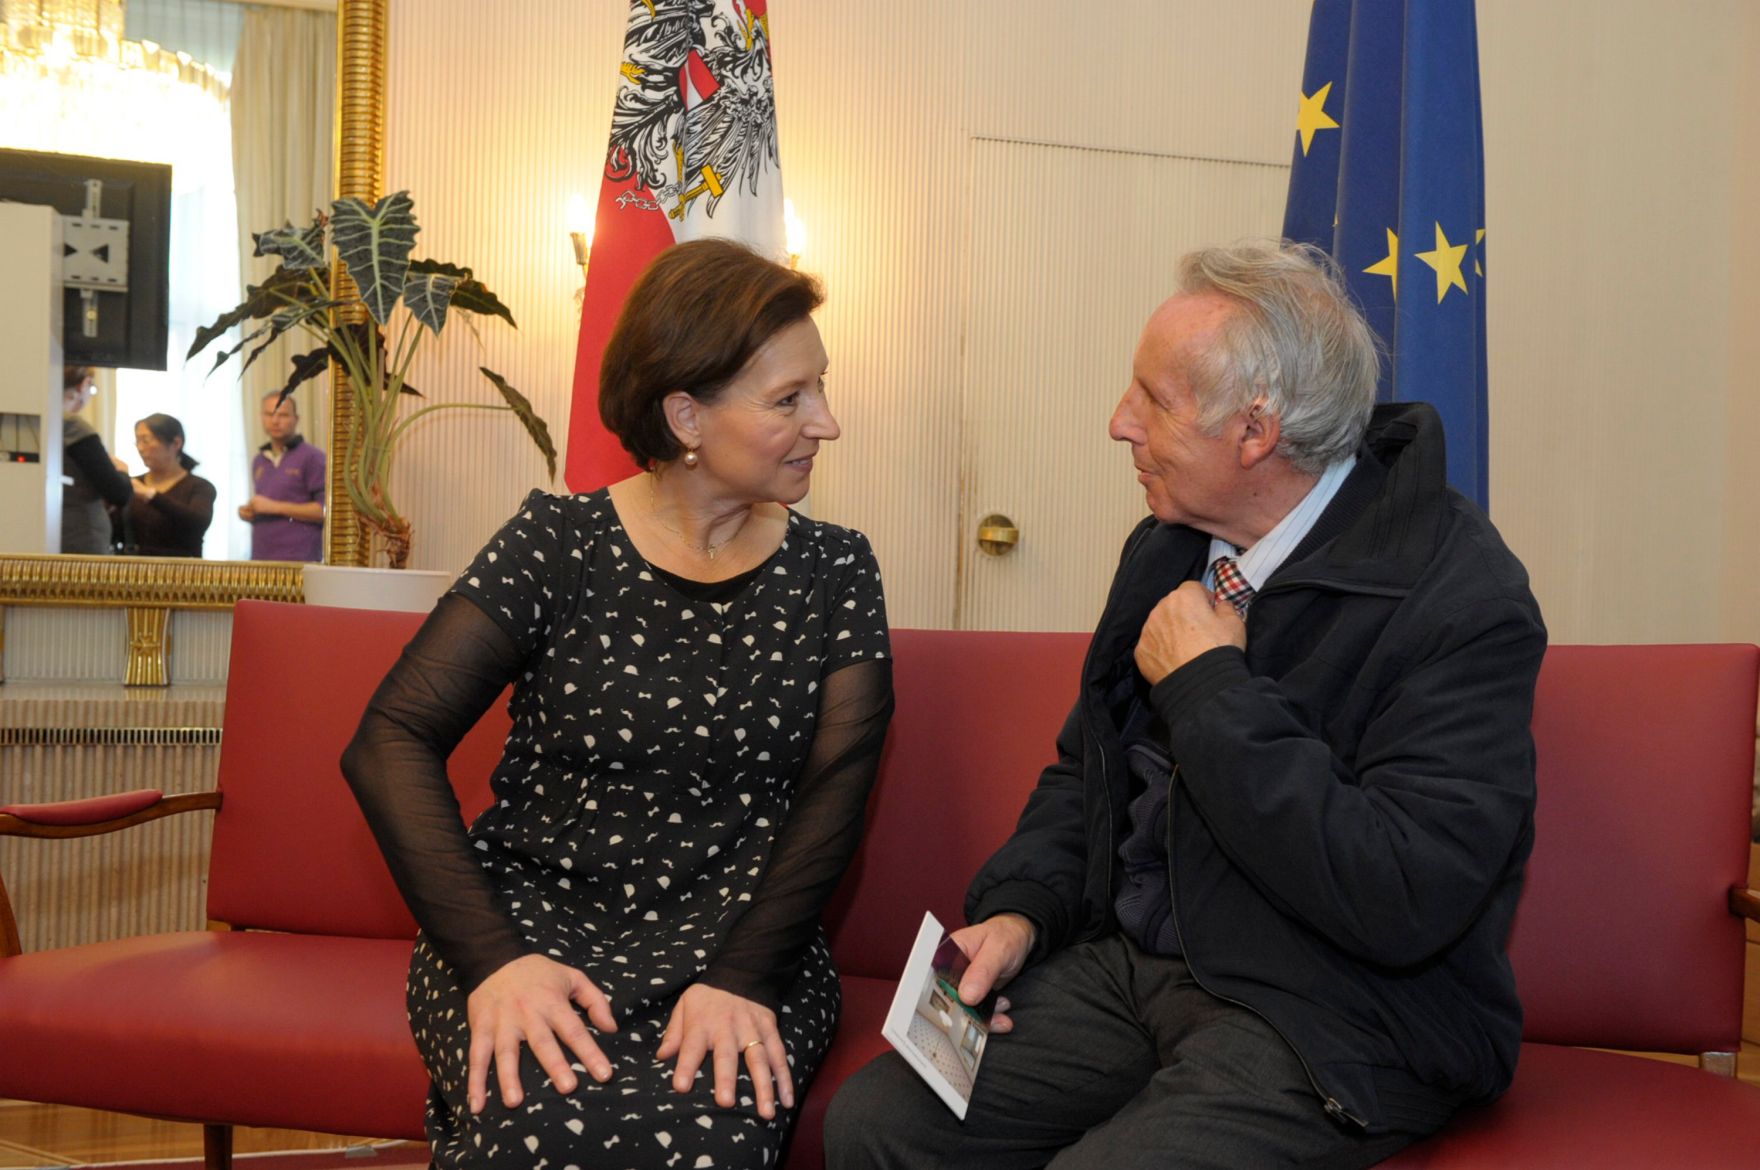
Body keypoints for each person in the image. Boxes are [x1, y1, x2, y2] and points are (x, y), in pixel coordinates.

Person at [826, 240, 1546, 1170]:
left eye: (1154, 403)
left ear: (1256, 432)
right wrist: (1022, 912)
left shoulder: (1460, 595)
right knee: (880, 1125)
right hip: (1143, 966)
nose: (1118, 423)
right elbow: (1088, 769)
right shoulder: (1169, 546)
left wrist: (1210, 689)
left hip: (1338, 1008)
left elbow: (1404, 891)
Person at [342, 238, 894, 1170]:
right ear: (686, 413)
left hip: (747, 943)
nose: (826, 424)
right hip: (529, 933)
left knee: (704, 1140)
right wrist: (495, 962)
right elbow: (390, 738)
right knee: (530, 1132)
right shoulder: (558, 542)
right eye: (790, 399)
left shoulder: (835, 570)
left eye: (821, 389)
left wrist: (743, 979)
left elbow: (837, 789)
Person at [239, 391, 326, 561]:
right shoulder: (259, 460)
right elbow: (266, 507)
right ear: (261, 417)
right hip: (261, 558)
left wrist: (273, 506)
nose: (275, 420)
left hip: (300, 561)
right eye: (270, 414)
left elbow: (325, 511)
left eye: (283, 414)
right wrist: (249, 512)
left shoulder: (313, 457)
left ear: (296, 419)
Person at [59, 366, 132, 554]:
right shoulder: (73, 426)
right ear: (84, 385)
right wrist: (122, 471)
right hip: (81, 535)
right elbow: (118, 492)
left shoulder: (45, 418)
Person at [126, 413, 216, 558]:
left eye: (146, 440)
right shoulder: (134, 484)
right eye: (138, 441)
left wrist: (151, 496)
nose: (141, 448)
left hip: (182, 572)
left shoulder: (200, 487)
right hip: (136, 572)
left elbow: (197, 522)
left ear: (176, 443)